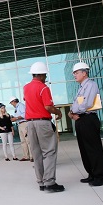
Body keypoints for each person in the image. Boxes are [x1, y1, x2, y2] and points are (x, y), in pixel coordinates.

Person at [23, 62, 64, 192]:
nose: (45, 77)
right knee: (49, 151)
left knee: (37, 153)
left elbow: (28, 100)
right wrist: (58, 112)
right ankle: (50, 183)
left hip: (29, 123)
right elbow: (47, 107)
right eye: (45, 74)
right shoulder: (43, 88)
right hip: (42, 122)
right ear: (40, 75)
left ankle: (41, 182)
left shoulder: (26, 87)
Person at [68, 62, 103, 187]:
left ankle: (100, 176)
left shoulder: (91, 85)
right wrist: (72, 113)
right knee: (84, 149)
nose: (74, 75)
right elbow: (76, 105)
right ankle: (91, 174)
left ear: (84, 73)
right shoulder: (81, 88)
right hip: (81, 119)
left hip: (88, 119)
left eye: (76, 72)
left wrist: (74, 112)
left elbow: (87, 104)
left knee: (93, 149)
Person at [10, 97, 33, 162]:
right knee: (23, 141)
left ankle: (32, 156)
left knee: (28, 140)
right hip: (20, 124)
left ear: (14, 101)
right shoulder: (17, 108)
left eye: (11, 103)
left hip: (24, 123)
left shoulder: (21, 105)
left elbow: (24, 114)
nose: (12, 104)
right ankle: (26, 156)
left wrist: (16, 118)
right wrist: (14, 118)